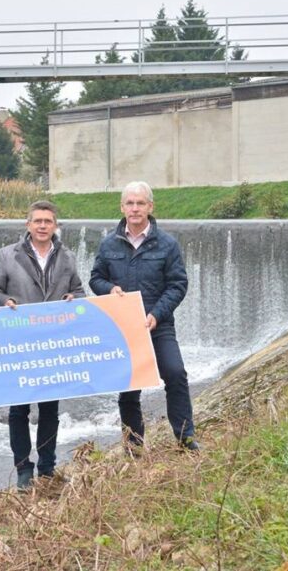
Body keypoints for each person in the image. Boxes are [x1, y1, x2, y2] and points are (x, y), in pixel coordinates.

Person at [89, 181, 198, 451]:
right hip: (124, 328)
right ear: (122, 207)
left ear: (150, 207)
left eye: (140, 203)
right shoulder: (109, 244)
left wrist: (157, 314)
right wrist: (109, 288)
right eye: (130, 203)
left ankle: (186, 439)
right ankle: (134, 446)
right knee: (128, 387)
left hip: (158, 325)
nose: (135, 208)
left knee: (175, 375)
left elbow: (177, 285)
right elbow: (96, 278)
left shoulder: (167, 244)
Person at [0, 200, 85, 489]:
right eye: (37, 221)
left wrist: (74, 299)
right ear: (28, 225)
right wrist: (5, 301)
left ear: (56, 226)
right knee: (18, 410)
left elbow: (78, 290)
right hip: (19, 345)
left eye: (48, 221)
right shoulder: (7, 256)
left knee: (50, 409)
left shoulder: (67, 256)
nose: (43, 226)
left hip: (53, 344)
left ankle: (47, 467)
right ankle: (22, 469)